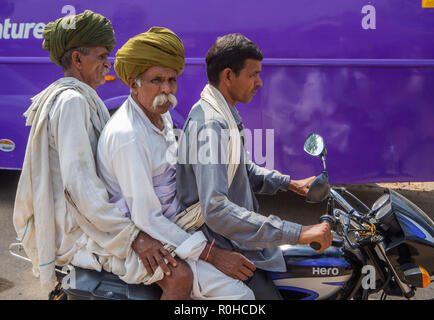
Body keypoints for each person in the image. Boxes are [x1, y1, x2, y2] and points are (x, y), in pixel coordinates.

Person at [12, 11, 191, 300]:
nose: (108, 64)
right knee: (179, 275)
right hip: (79, 233)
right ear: (77, 60)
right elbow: (80, 187)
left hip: (95, 220)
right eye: (101, 56)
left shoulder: (82, 96)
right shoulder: (71, 102)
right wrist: (134, 238)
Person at [96, 27, 255, 300]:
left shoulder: (160, 114)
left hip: (177, 225)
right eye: (156, 80)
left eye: (172, 80)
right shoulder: (128, 136)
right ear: (133, 84)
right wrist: (212, 254)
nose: (167, 89)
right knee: (240, 297)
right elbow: (146, 218)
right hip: (146, 237)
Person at [176, 33, 333, 299]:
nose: (259, 82)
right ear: (228, 76)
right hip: (224, 244)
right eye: (253, 74)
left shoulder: (223, 113)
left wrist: (289, 184)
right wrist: (299, 232)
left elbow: (241, 170)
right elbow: (216, 209)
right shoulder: (211, 125)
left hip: (237, 239)